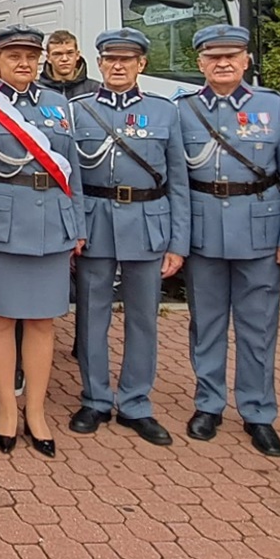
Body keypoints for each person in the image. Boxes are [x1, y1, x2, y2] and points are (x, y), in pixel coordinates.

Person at [177, 24, 280, 458]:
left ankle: (258, 412)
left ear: (246, 59)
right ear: (200, 63)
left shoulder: (273, 107)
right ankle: (208, 404)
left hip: (260, 232)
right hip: (203, 232)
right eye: (213, 57)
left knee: (258, 328)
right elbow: (177, 181)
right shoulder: (185, 110)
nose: (223, 63)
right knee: (207, 324)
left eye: (232, 55)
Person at [0, 25, 83, 457]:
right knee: (1, 319)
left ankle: (37, 411)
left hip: (52, 224)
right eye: (14, 56)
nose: (24, 63)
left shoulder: (58, 104)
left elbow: (73, 172)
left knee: (44, 322)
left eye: (31, 55)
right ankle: (7, 408)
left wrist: (78, 225)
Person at [68, 29, 189, 446]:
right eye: (110, 59)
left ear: (142, 65)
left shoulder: (165, 113)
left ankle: (136, 402)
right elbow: (71, 179)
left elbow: (180, 183)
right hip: (95, 221)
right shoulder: (77, 110)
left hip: (147, 221)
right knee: (90, 316)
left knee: (142, 318)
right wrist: (74, 230)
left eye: (127, 59)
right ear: (98, 64)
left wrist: (178, 242)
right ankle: (96, 398)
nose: (118, 66)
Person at [38, 29, 101, 99]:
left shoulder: (95, 90)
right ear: (48, 58)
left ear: (77, 55)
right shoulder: (37, 91)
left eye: (70, 53)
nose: (64, 59)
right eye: (57, 54)